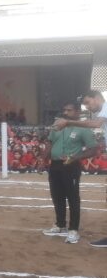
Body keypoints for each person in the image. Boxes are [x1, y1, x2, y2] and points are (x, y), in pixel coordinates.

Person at [40, 101, 98, 244]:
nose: (65, 112)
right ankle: (60, 225)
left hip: (71, 166)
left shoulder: (84, 129)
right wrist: (43, 160)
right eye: (64, 110)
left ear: (78, 112)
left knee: (72, 198)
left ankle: (73, 230)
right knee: (57, 196)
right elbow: (50, 143)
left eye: (69, 110)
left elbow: (93, 149)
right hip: (55, 165)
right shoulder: (57, 126)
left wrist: (75, 158)